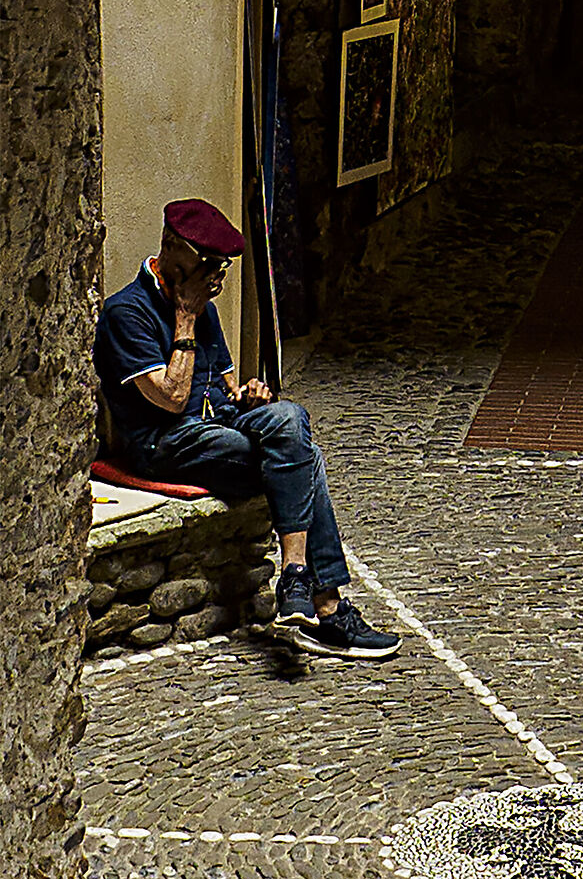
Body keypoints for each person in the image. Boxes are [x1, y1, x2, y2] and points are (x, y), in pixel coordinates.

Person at [95, 198, 401, 661]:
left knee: (290, 418)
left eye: (225, 266)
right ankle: (327, 606)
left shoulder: (206, 309)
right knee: (306, 458)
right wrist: (184, 319)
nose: (218, 278)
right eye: (212, 265)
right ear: (175, 251)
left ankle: (297, 577)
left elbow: (226, 385)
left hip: (219, 425)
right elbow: (173, 399)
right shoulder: (126, 313)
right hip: (165, 441)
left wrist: (250, 394)